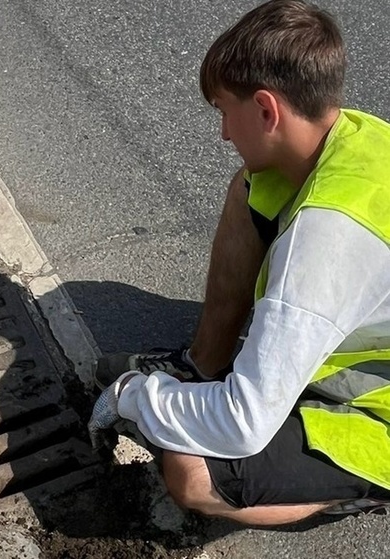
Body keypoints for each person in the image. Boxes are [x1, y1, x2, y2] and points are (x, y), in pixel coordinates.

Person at [89, 0, 390, 525]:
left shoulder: (326, 239)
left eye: (226, 111)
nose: (224, 133)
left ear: (267, 109)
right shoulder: (355, 136)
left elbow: (242, 424)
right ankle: (203, 361)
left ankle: (361, 488)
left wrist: (134, 398)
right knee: (254, 183)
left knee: (190, 469)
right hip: (353, 325)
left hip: (378, 415)